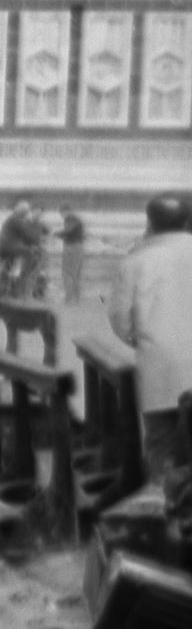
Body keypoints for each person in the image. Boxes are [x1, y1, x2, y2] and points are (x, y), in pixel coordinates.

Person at [110, 194, 192, 494]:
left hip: (160, 369)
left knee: (162, 443)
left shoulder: (135, 261)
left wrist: (141, 340)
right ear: (186, 221)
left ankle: (165, 511)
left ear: (150, 223)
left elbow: (120, 318)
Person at [0, 198, 45, 298]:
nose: (26, 212)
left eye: (26, 210)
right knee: (30, 254)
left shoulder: (14, 218)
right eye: (25, 210)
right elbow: (27, 235)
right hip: (7, 246)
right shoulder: (15, 219)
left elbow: (26, 235)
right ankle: (22, 281)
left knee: (11, 262)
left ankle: (1, 283)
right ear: (19, 210)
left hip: (4, 247)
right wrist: (37, 243)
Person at [59, 205, 88, 304]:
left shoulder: (70, 218)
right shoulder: (77, 219)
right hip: (79, 247)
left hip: (72, 247)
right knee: (76, 273)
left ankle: (68, 298)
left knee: (67, 272)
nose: (62, 216)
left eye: (61, 213)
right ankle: (76, 298)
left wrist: (56, 234)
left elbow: (68, 230)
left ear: (64, 211)